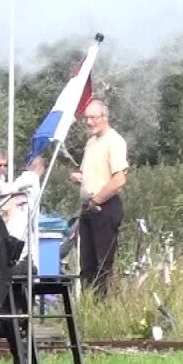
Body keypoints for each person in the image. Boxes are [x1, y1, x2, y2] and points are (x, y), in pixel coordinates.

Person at [68, 99, 129, 297]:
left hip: (105, 206)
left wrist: (97, 201)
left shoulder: (115, 141)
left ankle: (102, 309)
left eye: (93, 118)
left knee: (103, 264)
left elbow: (119, 179)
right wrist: (81, 178)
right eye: (86, 118)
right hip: (88, 206)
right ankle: (87, 310)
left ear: (104, 118)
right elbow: (96, 174)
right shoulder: (91, 142)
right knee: (87, 264)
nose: (89, 122)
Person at [3, 154, 45, 267]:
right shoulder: (31, 177)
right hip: (22, 219)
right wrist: (17, 201)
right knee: (23, 249)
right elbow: (10, 189)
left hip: (27, 220)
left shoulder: (31, 178)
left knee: (27, 248)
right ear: (41, 168)